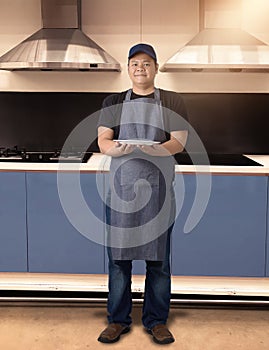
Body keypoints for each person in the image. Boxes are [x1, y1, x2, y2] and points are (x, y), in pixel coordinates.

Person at [97, 43, 188, 344]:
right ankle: (117, 320)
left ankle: (156, 321)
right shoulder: (112, 101)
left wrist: (154, 150)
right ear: (128, 68)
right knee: (118, 260)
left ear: (156, 68)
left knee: (158, 260)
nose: (140, 68)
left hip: (159, 189)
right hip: (122, 188)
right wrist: (119, 149)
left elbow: (178, 141)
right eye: (135, 63)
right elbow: (104, 142)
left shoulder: (172, 101)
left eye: (146, 63)